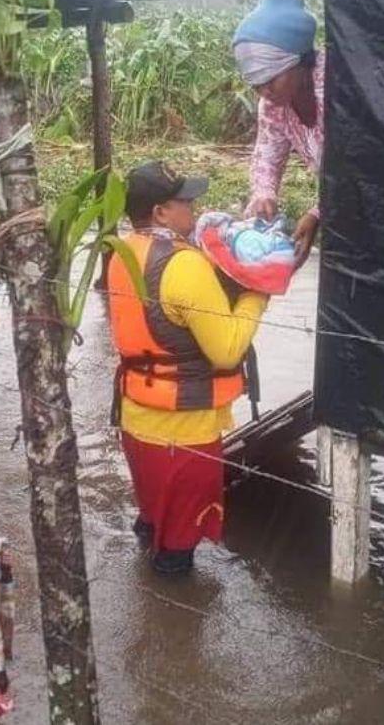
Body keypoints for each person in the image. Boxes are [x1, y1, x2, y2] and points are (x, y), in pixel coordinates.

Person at [107, 160, 269, 576]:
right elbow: (227, 350)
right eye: (185, 202)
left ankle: (143, 594)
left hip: (136, 417)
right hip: (183, 428)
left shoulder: (124, 252)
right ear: (160, 212)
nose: (193, 208)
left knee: (152, 519)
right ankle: (171, 611)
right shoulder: (184, 264)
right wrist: (258, 293)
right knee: (178, 550)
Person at [232, 0, 324, 268]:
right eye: (256, 85)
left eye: (271, 79)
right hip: (340, 200)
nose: (265, 91)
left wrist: (317, 214)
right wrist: (264, 195)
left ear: (299, 62)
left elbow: (361, 165)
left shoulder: (337, 88)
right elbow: (267, 157)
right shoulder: (273, 106)